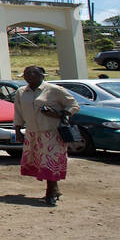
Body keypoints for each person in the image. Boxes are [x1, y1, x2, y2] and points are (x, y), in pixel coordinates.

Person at [13, 65, 80, 206]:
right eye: (26, 74)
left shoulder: (54, 90)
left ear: (42, 75)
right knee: (39, 162)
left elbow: (73, 105)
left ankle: (51, 192)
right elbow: (18, 112)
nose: (30, 76)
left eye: (33, 73)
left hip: (52, 132)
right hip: (33, 133)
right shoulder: (21, 92)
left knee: (50, 162)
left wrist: (59, 114)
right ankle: (55, 188)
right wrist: (18, 130)